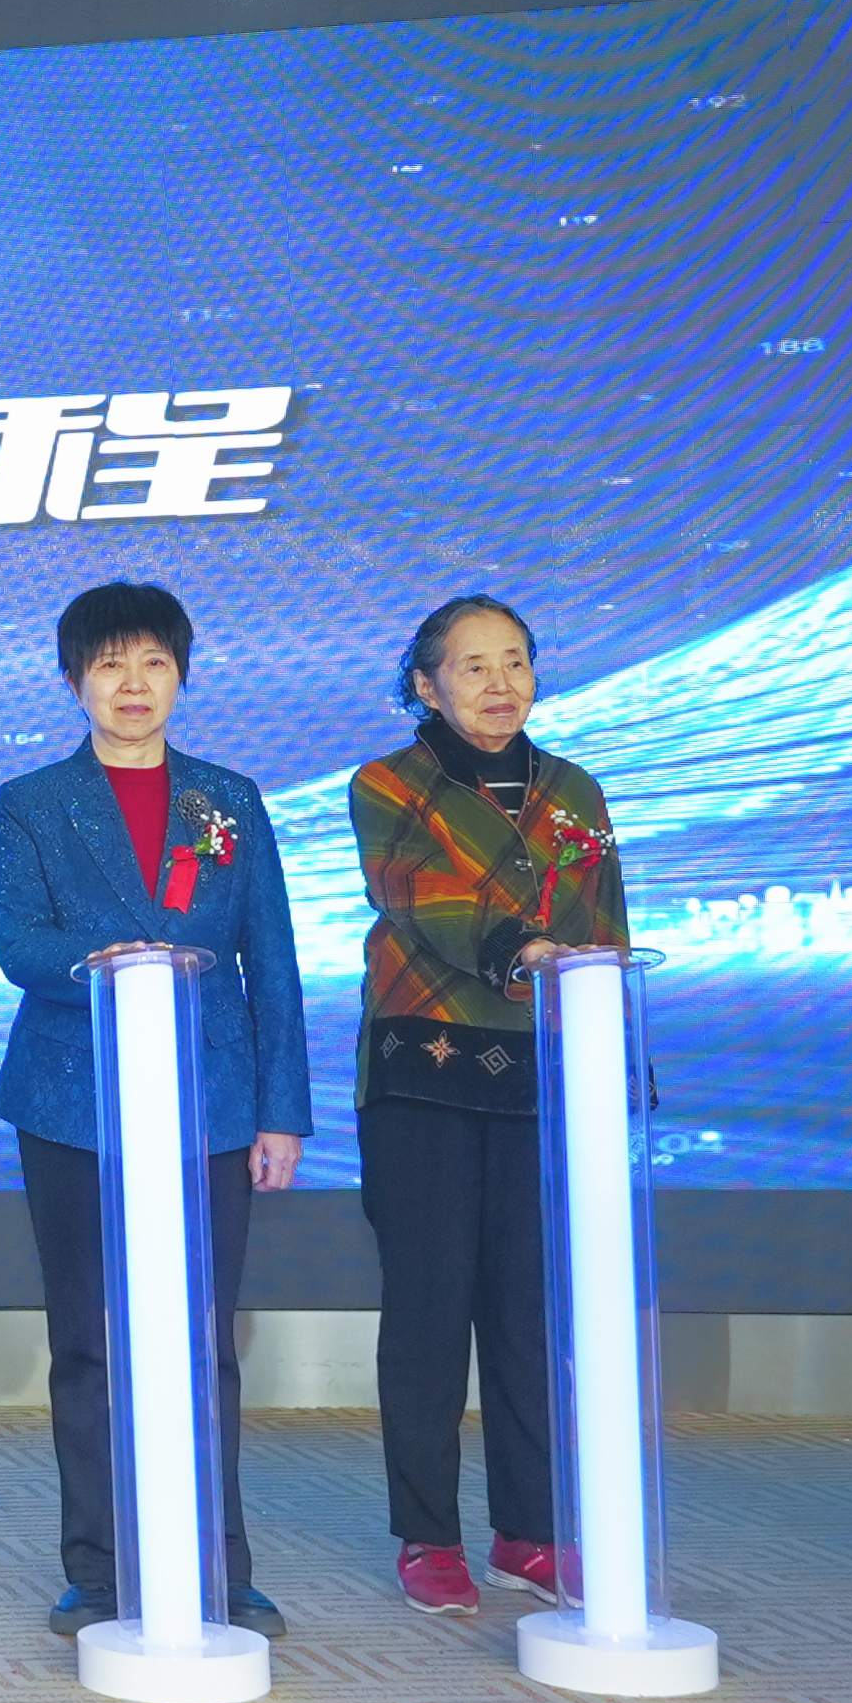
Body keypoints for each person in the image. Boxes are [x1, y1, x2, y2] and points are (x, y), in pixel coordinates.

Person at [0, 581, 309, 1641]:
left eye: (154, 663)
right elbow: (14, 940)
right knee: (89, 1341)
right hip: (72, 1099)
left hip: (210, 1100)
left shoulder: (228, 799)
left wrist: (279, 1112)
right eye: (110, 665)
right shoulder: (33, 801)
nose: (133, 685)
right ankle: (96, 1567)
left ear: (181, 675)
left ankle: (220, 1562)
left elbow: (272, 960)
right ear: (73, 680)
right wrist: (108, 957)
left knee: (205, 1342)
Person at [346, 595, 624, 1617]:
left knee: (528, 1313)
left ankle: (528, 1532)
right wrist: (520, 949)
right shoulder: (387, 783)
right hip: (422, 1071)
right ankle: (427, 1536)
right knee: (428, 1312)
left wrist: (613, 1054)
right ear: (426, 685)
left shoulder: (574, 788)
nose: (499, 682)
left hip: (543, 1071)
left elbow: (605, 920)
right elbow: (420, 897)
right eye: (472, 666)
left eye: (515, 661)